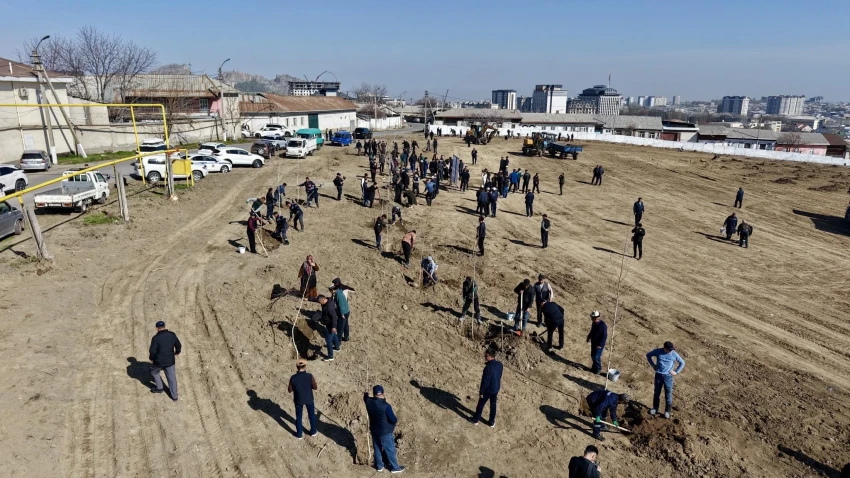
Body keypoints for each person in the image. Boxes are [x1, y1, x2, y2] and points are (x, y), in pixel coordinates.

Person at [364, 386, 405, 473]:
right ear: (383, 393)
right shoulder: (386, 406)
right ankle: (395, 467)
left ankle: (379, 466)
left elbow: (365, 397)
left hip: (374, 431)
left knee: (377, 448)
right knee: (390, 450)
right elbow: (393, 419)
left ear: (374, 394)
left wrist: (366, 393)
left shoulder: (368, 402)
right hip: (385, 432)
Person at [646, 341, 685, 419]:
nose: (671, 351)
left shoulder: (674, 354)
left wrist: (676, 372)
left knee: (668, 394)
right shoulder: (658, 351)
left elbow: (682, 362)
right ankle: (655, 408)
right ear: (664, 348)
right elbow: (648, 355)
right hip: (658, 375)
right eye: (669, 349)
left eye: (672, 349)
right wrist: (653, 365)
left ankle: (667, 411)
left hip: (668, 377)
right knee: (657, 393)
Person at [149, 320, 181, 401]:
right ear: (164, 326)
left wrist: (152, 358)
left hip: (158, 362)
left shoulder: (155, 338)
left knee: (154, 372)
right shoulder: (172, 335)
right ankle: (174, 397)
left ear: (157, 328)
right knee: (172, 379)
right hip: (170, 361)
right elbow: (178, 345)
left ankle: (159, 388)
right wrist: (177, 352)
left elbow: (152, 351)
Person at [288, 359, 318, 439]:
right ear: (305, 367)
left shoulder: (293, 378)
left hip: (298, 400)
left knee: (299, 417)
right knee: (311, 415)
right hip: (309, 399)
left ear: (297, 367)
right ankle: (313, 431)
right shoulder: (309, 376)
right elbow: (315, 387)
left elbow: (289, 390)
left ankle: (299, 434)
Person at [472, 348, 502, 428]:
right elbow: (499, 375)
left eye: (487, 355)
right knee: (493, 405)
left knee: (481, 404)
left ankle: (475, 420)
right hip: (496, 388)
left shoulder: (487, 368)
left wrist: (481, 392)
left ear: (492, 357)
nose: (485, 356)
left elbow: (484, 381)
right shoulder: (499, 364)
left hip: (488, 390)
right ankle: (491, 422)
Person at [317, 295, 340, 361]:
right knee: (334, 335)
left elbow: (334, 317)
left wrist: (333, 327)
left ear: (323, 300)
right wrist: (308, 299)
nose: (319, 304)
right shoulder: (328, 300)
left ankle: (330, 356)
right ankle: (337, 347)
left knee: (328, 340)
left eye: (320, 302)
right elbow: (316, 300)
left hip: (331, 325)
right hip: (328, 323)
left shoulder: (329, 308)